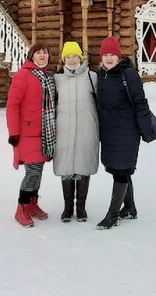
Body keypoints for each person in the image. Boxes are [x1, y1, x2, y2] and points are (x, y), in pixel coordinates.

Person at [94, 36, 156, 230]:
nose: (108, 58)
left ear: (119, 56)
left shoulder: (128, 74)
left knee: (121, 171)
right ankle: (130, 207)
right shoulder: (102, 75)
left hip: (126, 131)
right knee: (118, 169)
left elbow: (140, 102)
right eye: (105, 54)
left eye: (112, 54)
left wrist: (145, 130)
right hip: (109, 131)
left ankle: (112, 215)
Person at [5, 42, 58, 228]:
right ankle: (21, 208)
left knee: (38, 172)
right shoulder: (22, 76)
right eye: (38, 53)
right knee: (32, 172)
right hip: (27, 134)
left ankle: (33, 204)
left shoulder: (48, 77)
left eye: (45, 53)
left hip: (45, 133)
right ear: (31, 56)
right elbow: (12, 106)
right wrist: (14, 133)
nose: (42, 56)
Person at [53, 41, 99, 222]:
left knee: (83, 166)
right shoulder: (57, 79)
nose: (72, 60)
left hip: (86, 128)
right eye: (68, 56)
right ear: (64, 59)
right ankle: (67, 207)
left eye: (75, 56)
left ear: (81, 58)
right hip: (63, 129)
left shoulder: (92, 77)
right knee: (66, 168)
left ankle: (81, 207)